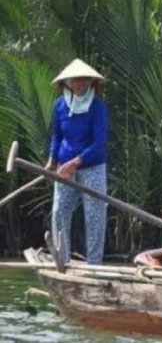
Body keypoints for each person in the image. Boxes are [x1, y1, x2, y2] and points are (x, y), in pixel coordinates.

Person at [45, 58, 109, 265]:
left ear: (90, 82)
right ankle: (61, 260)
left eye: (83, 80)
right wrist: (52, 160)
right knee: (59, 212)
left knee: (95, 216)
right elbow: (56, 134)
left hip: (92, 166)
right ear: (67, 83)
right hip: (64, 168)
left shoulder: (98, 107)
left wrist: (77, 162)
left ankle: (94, 265)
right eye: (75, 80)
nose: (79, 84)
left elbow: (98, 141)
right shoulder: (60, 105)